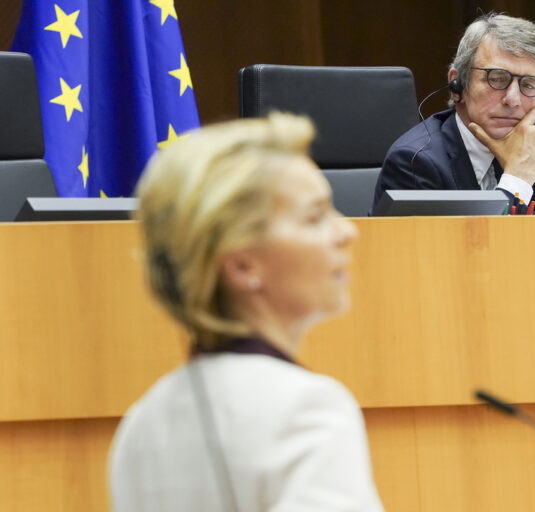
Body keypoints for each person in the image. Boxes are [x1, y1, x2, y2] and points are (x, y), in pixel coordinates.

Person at [108, 113, 384, 511]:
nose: (347, 231)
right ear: (242, 266)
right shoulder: (307, 410)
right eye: (314, 217)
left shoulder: (141, 424)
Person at [372, 13, 535, 215]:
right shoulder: (415, 161)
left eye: (528, 84)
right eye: (497, 79)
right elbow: (475, 238)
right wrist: (517, 181)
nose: (513, 99)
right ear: (457, 85)